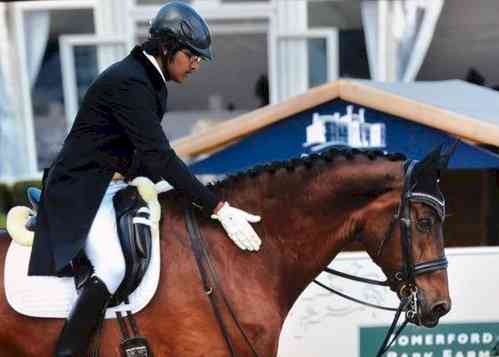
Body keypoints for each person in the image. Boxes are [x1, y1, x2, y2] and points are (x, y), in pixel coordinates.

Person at [27, 2, 262, 356]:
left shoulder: (151, 81)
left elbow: (145, 159)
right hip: (82, 190)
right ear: (166, 48)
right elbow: (159, 157)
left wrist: (195, 193)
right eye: (191, 55)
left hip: (114, 184)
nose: (197, 63)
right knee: (112, 265)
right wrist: (217, 206)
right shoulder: (130, 82)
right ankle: (68, 352)